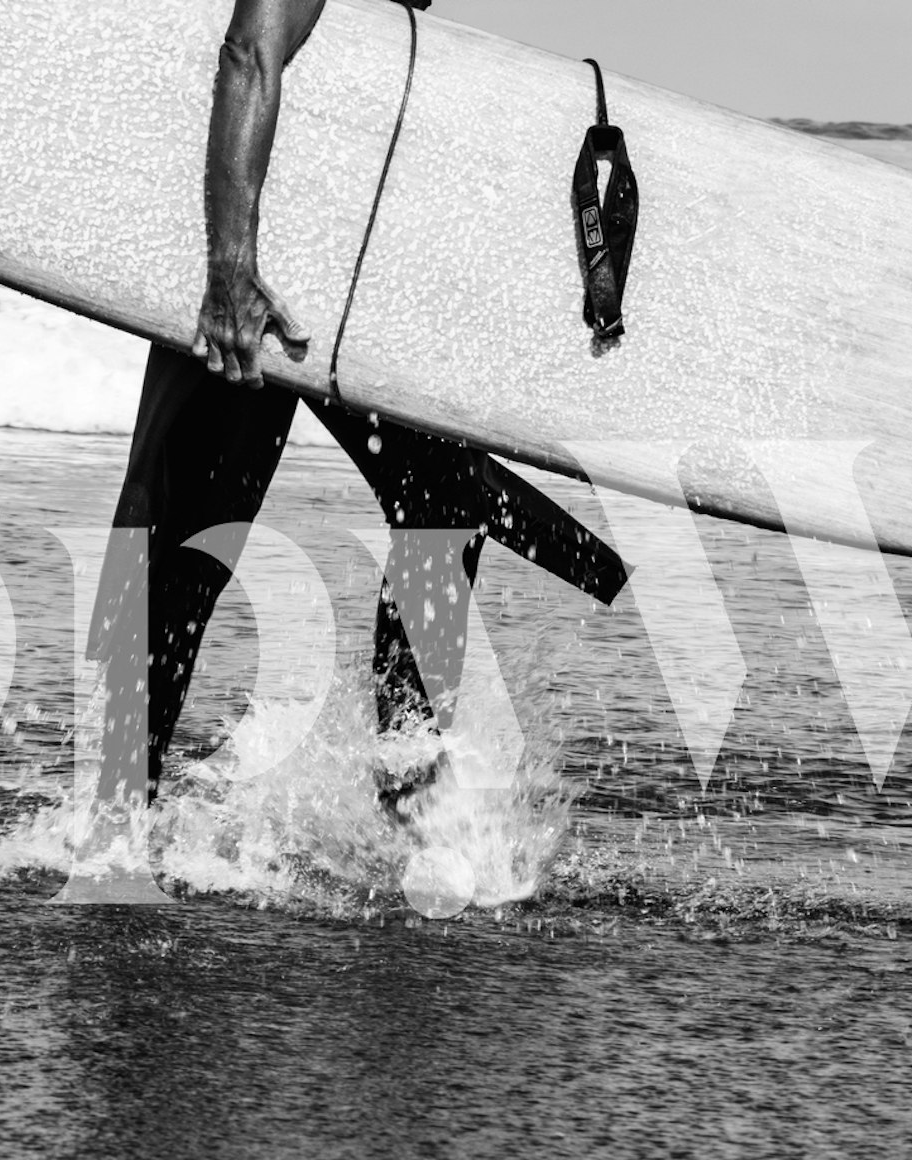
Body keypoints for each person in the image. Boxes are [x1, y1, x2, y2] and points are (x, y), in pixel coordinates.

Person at [92, 0, 626, 812]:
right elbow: (249, 55)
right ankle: (115, 824)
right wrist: (231, 273)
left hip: (341, 278)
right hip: (258, 278)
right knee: (189, 553)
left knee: (441, 504)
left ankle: (413, 805)